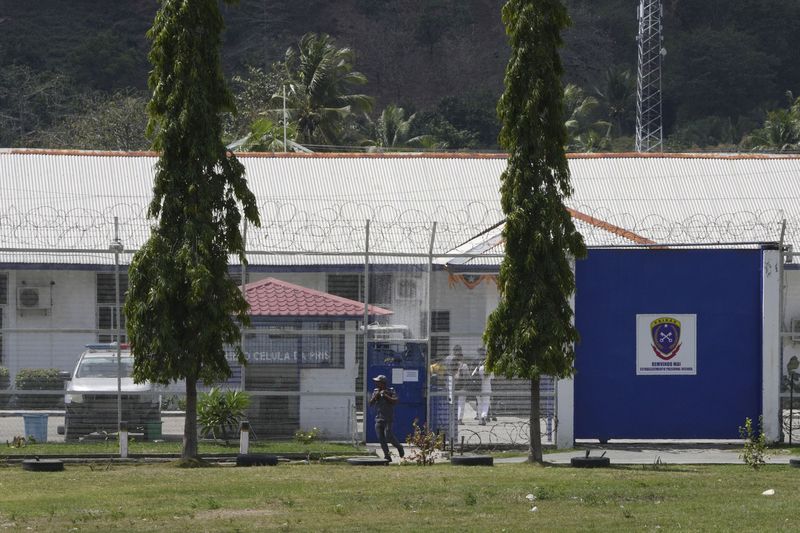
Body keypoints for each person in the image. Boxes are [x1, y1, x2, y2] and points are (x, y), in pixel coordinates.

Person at [369, 374, 405, 462]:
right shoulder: (375, 391)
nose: (376, 383)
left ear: (383, 383)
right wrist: (376, 396)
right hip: (379, 418)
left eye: (378, 382)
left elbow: (395, 401)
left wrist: (385, 395)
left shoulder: (390, 390)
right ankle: (387, 456)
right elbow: (370, 403)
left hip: (388, 418)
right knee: (381, 438)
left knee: (388, 435)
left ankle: (399, 447)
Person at [474, 347, 493, 425]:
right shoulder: (490, 368)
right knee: (486, 403)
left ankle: (479, 420)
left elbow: (473, 375)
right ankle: (483, 416)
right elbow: (493, 378)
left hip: (478, 388)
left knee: (479, 404)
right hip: (487, 388)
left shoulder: (478, 368)